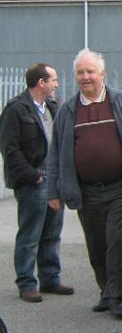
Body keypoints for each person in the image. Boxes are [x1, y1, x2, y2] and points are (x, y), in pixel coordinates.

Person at [46, 48, 122, 320]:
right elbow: (56, 152)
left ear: (102, 74)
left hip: (120, 188)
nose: (85, 77)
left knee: (117, 243)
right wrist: (53, 191)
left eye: (90, 72)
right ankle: (106, 291)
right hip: (86, 192)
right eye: (80, 72)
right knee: (96, 244)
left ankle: (117, 296)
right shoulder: (67, 111)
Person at [0, 63, 73, 302]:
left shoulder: (53, 107)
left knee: (52, 233)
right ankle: (26, 283)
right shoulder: (16, 109)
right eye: (53, 80)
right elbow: (10, 150)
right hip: (33, 182)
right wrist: (33, 175)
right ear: (41, 82)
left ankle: (50, 279)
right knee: (30, 235)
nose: (56, 84)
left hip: (54, 180)